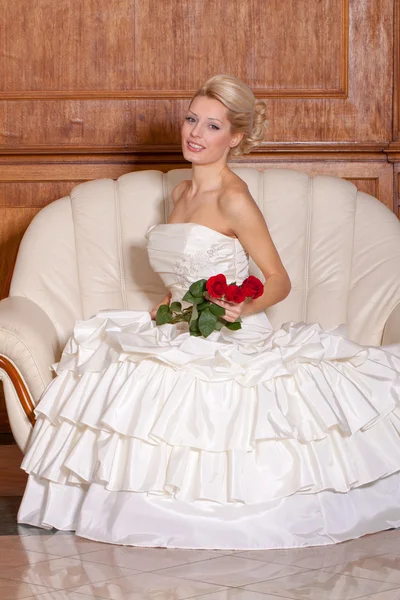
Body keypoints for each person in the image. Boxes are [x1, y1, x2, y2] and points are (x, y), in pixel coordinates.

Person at [18, 75, 400, 550]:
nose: (195, 133)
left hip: (232, 330)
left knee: (214, 398)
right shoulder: (179, 194)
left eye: (212, 125)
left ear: (235, 137)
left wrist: (239, 307)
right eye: (191, 119)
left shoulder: (233, 198)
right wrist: (165, 311)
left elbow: (279, 279)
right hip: (182, 326)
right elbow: (180, 280)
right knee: (115, 364)